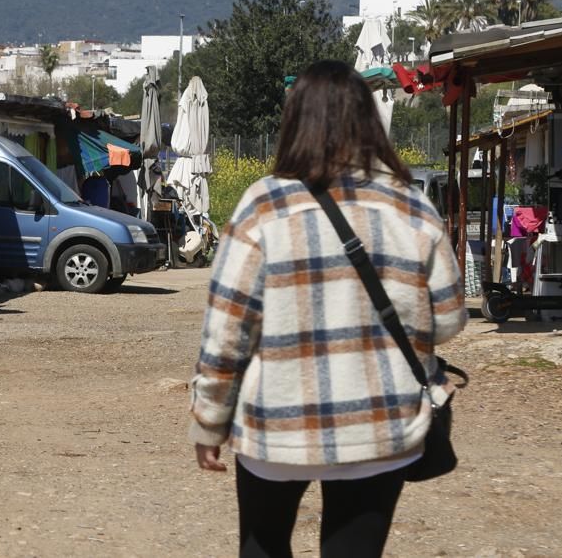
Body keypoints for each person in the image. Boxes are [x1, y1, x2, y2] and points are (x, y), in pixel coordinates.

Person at [189, 60, 466, 557]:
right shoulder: (411, 206)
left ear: (294, 120)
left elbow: (226, 334)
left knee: (263, 545)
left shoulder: (263, 206)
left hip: (277, 428)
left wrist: (209, 421)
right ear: (367, 121)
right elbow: (447, 323)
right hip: (380, 429)